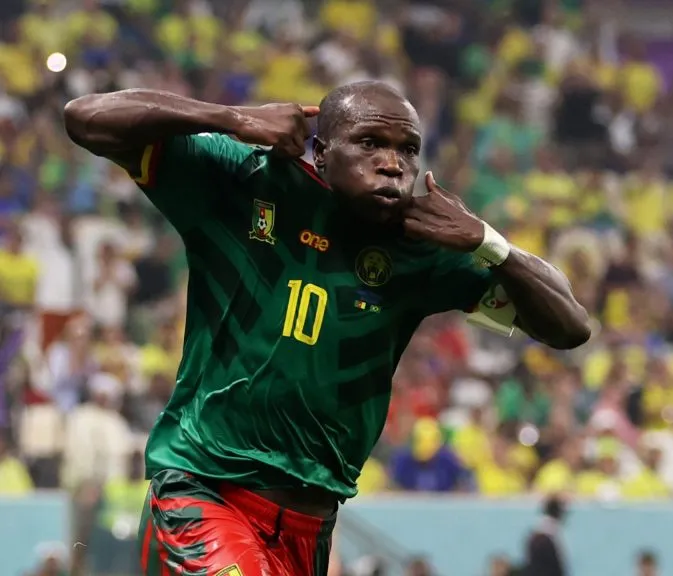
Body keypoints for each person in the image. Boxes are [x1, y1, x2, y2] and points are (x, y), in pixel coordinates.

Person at [63, 81, 591, 576]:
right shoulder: (244, 180)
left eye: (408, 149)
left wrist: (489, 243)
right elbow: (86, 119)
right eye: (369, 143)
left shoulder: (423, 247)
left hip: (309, 525)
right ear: (321, 151)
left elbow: (569, 327)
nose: (391, 164)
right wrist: (233, 119)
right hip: (204, 492)